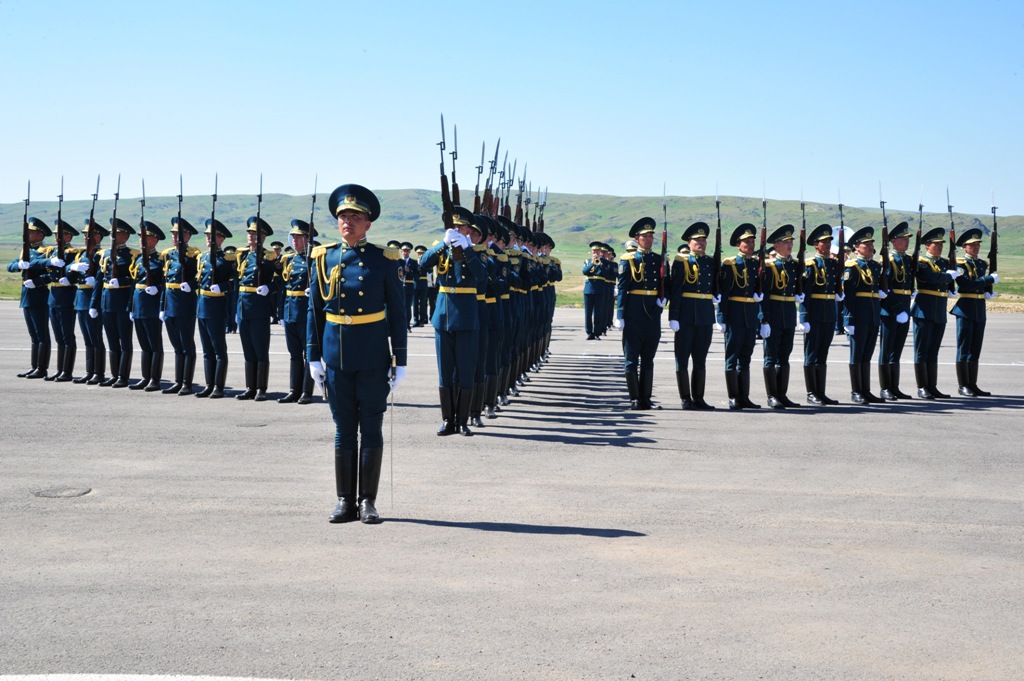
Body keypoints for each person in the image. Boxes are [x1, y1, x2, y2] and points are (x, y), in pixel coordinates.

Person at [307, 184, 407, 525]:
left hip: (373, 355)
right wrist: (313, 356)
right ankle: (343, 500)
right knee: (343, 429)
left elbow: (397, 311)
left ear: (368, 224)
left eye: (355, 217)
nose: (348, 222)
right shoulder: (323, 257)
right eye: (343, 216)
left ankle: (368, 501)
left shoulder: (383, 259)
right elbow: (314, 311)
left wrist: (401, 359)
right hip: (336, 356)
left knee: (372, 427)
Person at [420, 206, 486, 434]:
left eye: (461, 227)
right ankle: (448, 419)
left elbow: (483, 277)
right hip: (443, 316)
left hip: (466, 317)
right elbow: (423, 264)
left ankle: (463, 420)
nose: (457, 230)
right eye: (453, 227)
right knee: (445, 371)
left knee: (465, 371)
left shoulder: (476, 252)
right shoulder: (442, 250)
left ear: (469, 230)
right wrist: (442, 244)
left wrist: (467, 250)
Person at [615, 217, 665, 410]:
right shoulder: (628, 259)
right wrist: (620, 314)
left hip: (652, 312)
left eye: (651, 236)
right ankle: (634, 397)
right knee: (631, 358)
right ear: (637, 238)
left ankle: (646, 398)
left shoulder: (657, 259)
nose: (649, 239)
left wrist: (662, 300)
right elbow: (623, 288)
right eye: (645, 236)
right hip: (634, 311)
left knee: (648, 358)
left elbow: (663, 283)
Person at [668, 222, 717, 410]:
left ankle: (699, 397)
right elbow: (676, 289)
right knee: (682, 358)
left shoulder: (710, 261)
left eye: (703, 240)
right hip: (686, 314)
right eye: (697, 240)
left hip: (705, 314)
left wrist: (716, 293)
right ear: (689, 242)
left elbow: (714, 284)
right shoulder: (681, 261)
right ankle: (685, 398)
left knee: (700, 358)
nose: (701, 243)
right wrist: (674, 316)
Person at [717, 224, 763, 410]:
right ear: (738, 244)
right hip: (735, 314)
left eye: (752, 241)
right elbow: (724, 293)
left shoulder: (756, 264)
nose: (750, 245)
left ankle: (744, 396)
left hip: (750, 315)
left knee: (746, 356)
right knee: (732, 357)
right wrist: (721, 318)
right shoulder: (730, 264)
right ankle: (733, 397)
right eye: (746, 242)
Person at [759, 224, 804, 409]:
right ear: (776, 246)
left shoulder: (793, 265)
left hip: (788, 314)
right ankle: (772, 396)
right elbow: (765, 295)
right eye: (786, 242)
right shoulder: (769, 266)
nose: (789, 246)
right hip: (774, 315)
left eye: (791, 242)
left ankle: (782, 394)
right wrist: (764, 319)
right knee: (771, 357)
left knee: (784, 356)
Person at [910, 227, 958, 399]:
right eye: (936, 244)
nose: (939, 247)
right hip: (924, 310)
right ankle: (922, 387)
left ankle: (932, 386)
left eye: (941, 244)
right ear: (927, 245)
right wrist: (948, 277)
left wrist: (951, 285)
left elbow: (948, 279)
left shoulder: (944, 263)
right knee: (922, 350)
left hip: (939, 311)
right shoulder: (922, 262)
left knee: (934, 351)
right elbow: (930, 278)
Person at [235, 216, 279, 401]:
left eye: (255, 234)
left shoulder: (268, 256)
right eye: (250, 233)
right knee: (248, 350)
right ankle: (250, 387)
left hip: (259, 306)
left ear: (263, 237)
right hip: (243, 306)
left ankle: (261, 388)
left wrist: (269, 287)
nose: (251, 237)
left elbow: (279, 279)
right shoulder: (243, 255)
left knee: (260, 349)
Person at [951, 228, 998, 396]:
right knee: (964, 348)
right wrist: (988, 279)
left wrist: (987, 290)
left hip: (979, 309)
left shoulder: (982, 264)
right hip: (965, 308)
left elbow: (979, 284)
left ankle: (972, 383)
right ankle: (963, 385)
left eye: (978, 244)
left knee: (975, 348)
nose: (976, 247)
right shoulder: (960, 264)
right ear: (964, 247)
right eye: (972, 245)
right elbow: (966, 285)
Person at [799, 224, 843, 405]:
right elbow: (805, 294)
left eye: (829, 242)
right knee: (812, 353)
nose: (827, 245)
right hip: (815, 313)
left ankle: (821, 392)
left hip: (829, 313)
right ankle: (811, 393)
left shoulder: (833, 264)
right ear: (815, 245)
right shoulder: (810, 265)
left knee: (823, 354)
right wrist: (804, 317)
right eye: (823, 242)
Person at [842, 226, 885, 404]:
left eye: (871, 244)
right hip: (858, 316)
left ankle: (865, 390)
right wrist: (848, 319)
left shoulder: (875, 266)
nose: (869, 247)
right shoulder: (852, 267)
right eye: (865, 244)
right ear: (856, 247)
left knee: (867, 354)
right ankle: (856, 391)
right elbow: (849, 296)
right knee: (857, 354)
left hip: (873, 315)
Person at [194, 219, 236, 399]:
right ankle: (209, 384)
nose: (209, 239)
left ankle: (219, 386)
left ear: (221, 239)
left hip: (217, 307)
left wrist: (223, 287)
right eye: (207, 236)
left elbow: (235, 282)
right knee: (206, 350)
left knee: (219, 349)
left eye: (213, 236)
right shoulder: (202, 257)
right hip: (202, 306)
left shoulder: (227, 259)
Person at [161, 216, 201, 395]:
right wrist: (162, 306)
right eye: (173, 233)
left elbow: (201, 277)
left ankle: (187, 382)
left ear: (187, 236)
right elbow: (165, 282)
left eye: (179, 234)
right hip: (170, 304)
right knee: (176, 346)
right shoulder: (169, 254)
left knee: (187, 345)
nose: (174, 237)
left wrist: (191, 285)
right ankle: (178, 381)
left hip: (185, 304)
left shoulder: (194, 255)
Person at [278, 219, 317, 404]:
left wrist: (313, 291)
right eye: (293, 237)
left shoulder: (314, 260)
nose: (294, 240)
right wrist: (280, 313)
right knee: (294, 354)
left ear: (307, 239)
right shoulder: (291, 260)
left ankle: (306, 392)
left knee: (308, 354)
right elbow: (284, 287)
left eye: (299, 237)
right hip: (290, 310)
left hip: (305, 310)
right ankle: (294, 390)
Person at [8, 217, 52, 379]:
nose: (27, 235)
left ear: (40, 235)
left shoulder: (46, 252)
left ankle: (42, 368)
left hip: (39, 295)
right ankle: (34, 366)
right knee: (33, 335)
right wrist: (19, 265)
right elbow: (10, 266)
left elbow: (52, 275)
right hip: (27, 297)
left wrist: (37, 281)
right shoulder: (25, 251)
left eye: (31, 232)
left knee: (42, 335)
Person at [67, 218, 108, 384]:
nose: (85, 238)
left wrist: (95, 301)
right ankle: (89, 371)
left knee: (96, 338)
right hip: (81, 300)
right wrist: (72, 268)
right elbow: (70, 276)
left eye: (89, 235)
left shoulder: (101, 255)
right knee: (87, 339)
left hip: (93, 300)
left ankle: (99, 372)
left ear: (98, 237)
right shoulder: (81, 255)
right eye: (84, 235)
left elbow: (103, 276)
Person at [98, 217, 138, 388]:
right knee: (112, 340)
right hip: (107, 302)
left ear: (125, 236)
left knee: (125, 341)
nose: (112, 237)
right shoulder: (105, 254)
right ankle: (114, 374)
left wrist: (121, 283)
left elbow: (134, 280)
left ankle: (123, 375)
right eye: (111, 234)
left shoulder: (132, 255)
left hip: (122, 302)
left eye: (117, 234)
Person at [127, 222, 167, 391]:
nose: (142, 241)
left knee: (154, 343)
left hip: (151, 306)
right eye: (141, 237)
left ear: (155, 240)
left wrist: (157, 291)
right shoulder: (137, 259)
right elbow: (133, 283)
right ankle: (146, 377)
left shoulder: (159, 259)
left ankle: (155, 379)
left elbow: (165, 284)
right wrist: (130, 306)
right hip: (139, 306)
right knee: (144, 344)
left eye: (146, 237)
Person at [878, 221, 915, 400]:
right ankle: (885, 387)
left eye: (907, 239)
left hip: (904, 309)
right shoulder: (888, 260)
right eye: (902, 239)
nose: (906, 242)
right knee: (886, 350)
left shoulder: (907, 259)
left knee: (897, 350)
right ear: (893, 241)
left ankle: (895, 386)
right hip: (890, 311)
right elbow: (886, 288)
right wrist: (898, 309)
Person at [43, 220, 81, 381]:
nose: (56, 238)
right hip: (54, 295)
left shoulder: (73, 252)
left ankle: (67, 371)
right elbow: (47, 270)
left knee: (67, 335)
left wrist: (68, 276)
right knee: (58, 337)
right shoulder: (51, 253)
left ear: (68, 236)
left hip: (66, 296)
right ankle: (60, 369)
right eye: (55, 235)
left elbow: (75, 268)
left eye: (60, 235)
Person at [583, 241, 605, 340]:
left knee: (598, 312)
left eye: (597, 250)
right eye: (593, 250)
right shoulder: (587, 261)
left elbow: (603, 273)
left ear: (600, 251)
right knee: (588, 313)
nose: (595, 252)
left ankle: (597, 332)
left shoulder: (604, 262)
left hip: (599, 289)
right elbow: (585, 271)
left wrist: (599, 263)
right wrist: (592, 263)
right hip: (588, 289)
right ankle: (589, 332)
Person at [413, 244, 429, 326]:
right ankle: (416, 320)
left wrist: (422, 263)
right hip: (415, 284)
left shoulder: (426, 263)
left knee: (423, 303)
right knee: (415, 303)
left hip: (423, 284)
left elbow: (429, 270)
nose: (420, 255)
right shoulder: (414, 262)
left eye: (422, 253)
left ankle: (422, 320)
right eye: (419, 253)